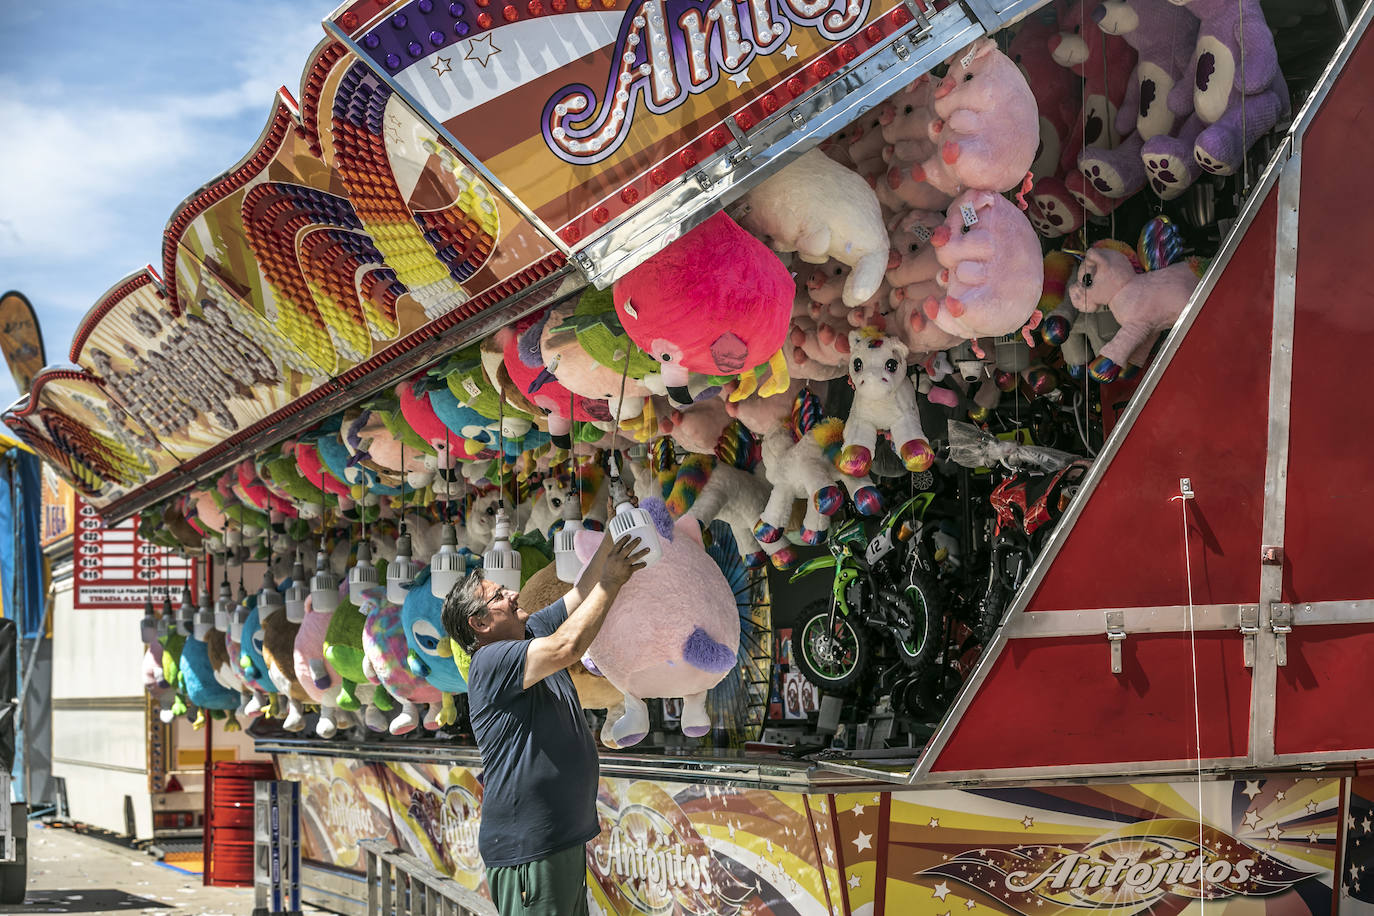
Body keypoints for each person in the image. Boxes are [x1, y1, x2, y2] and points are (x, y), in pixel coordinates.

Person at [441, 531, 648, 916]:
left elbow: (581, 594)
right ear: (480, 623)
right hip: (529, 849)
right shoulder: (490, 661)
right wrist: (612, 580)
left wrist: (610, 533)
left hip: (557, 841)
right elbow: (567, 646)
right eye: (499, 596)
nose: (513, 595)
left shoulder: (529, 632)